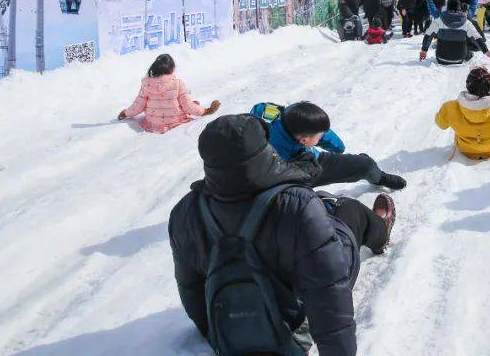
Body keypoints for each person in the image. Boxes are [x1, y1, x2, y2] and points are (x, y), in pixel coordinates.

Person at [168, 114, 396, 356]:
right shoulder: (295, 205)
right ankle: (380, 230)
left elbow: (191, 289)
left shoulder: (185, 212)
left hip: (231, 321)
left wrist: (219, 337)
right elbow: (328, 291)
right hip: (294, 322)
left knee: (316, 212)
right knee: (349, 211)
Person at [255, 100, 406, 190]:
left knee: (363, 164)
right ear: (304, 141)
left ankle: (378, 176)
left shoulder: (275, 114)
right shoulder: (283, 159)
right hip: (293, 175)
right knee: (364, 165)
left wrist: (337, 148)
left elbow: (258, 108)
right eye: (319, 136)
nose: (322, 136)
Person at [434, 67, 490, 160]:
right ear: (489, 84)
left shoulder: (450, 108)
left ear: (467, 85)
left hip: (465, 149)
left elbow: (441, 124)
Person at [118, 54, 219, 134]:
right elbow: (188, 106)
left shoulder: (147, 84)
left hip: (153, 124)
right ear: (172, 68)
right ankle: (198, 107)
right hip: (174, 122)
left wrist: (126, 113)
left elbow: (138, 105)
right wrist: (205, 111)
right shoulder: (178, 83)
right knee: (188, 103)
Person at [420, 0, 490, 65]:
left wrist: (424, 50)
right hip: (459, 59)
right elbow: (476, 38)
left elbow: (428, 35)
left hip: (441, 58)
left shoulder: (439, 20)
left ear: (447, 8)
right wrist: (486, 51)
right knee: (468, 46)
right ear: (459, 8)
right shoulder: (466, 22)